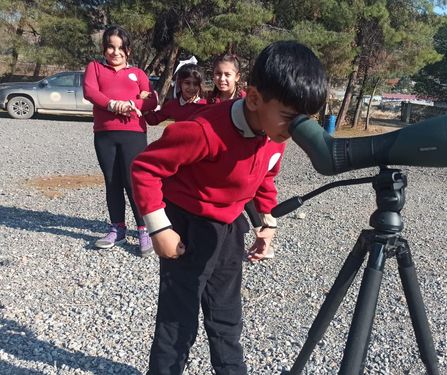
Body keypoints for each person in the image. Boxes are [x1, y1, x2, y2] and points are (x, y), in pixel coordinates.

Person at [130, 40, 327, 375]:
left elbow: (265, 177)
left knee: (226, 318)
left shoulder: (273, 134)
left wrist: (267, 223)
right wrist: (159, 227)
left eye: (305, 119)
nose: (298, 129)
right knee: (178, 322)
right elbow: (145, 168)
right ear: (252, 98)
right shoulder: (204, 131)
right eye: (291, 118)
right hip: (187, 227)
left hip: (229, 228)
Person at [83, 25, 158, 257]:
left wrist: (135, 104)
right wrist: (114, 104)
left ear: (128, 50)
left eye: (120, 48)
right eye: (110, 47)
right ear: (104, 49)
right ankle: (118, 228)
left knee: (132, 181)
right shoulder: (95, 68)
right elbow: (90, 91)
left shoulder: (138, 74)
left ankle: (144, 229)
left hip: (133, 134)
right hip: (104, 134)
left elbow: (152, 99)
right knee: (112, 180)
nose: (115, 52)